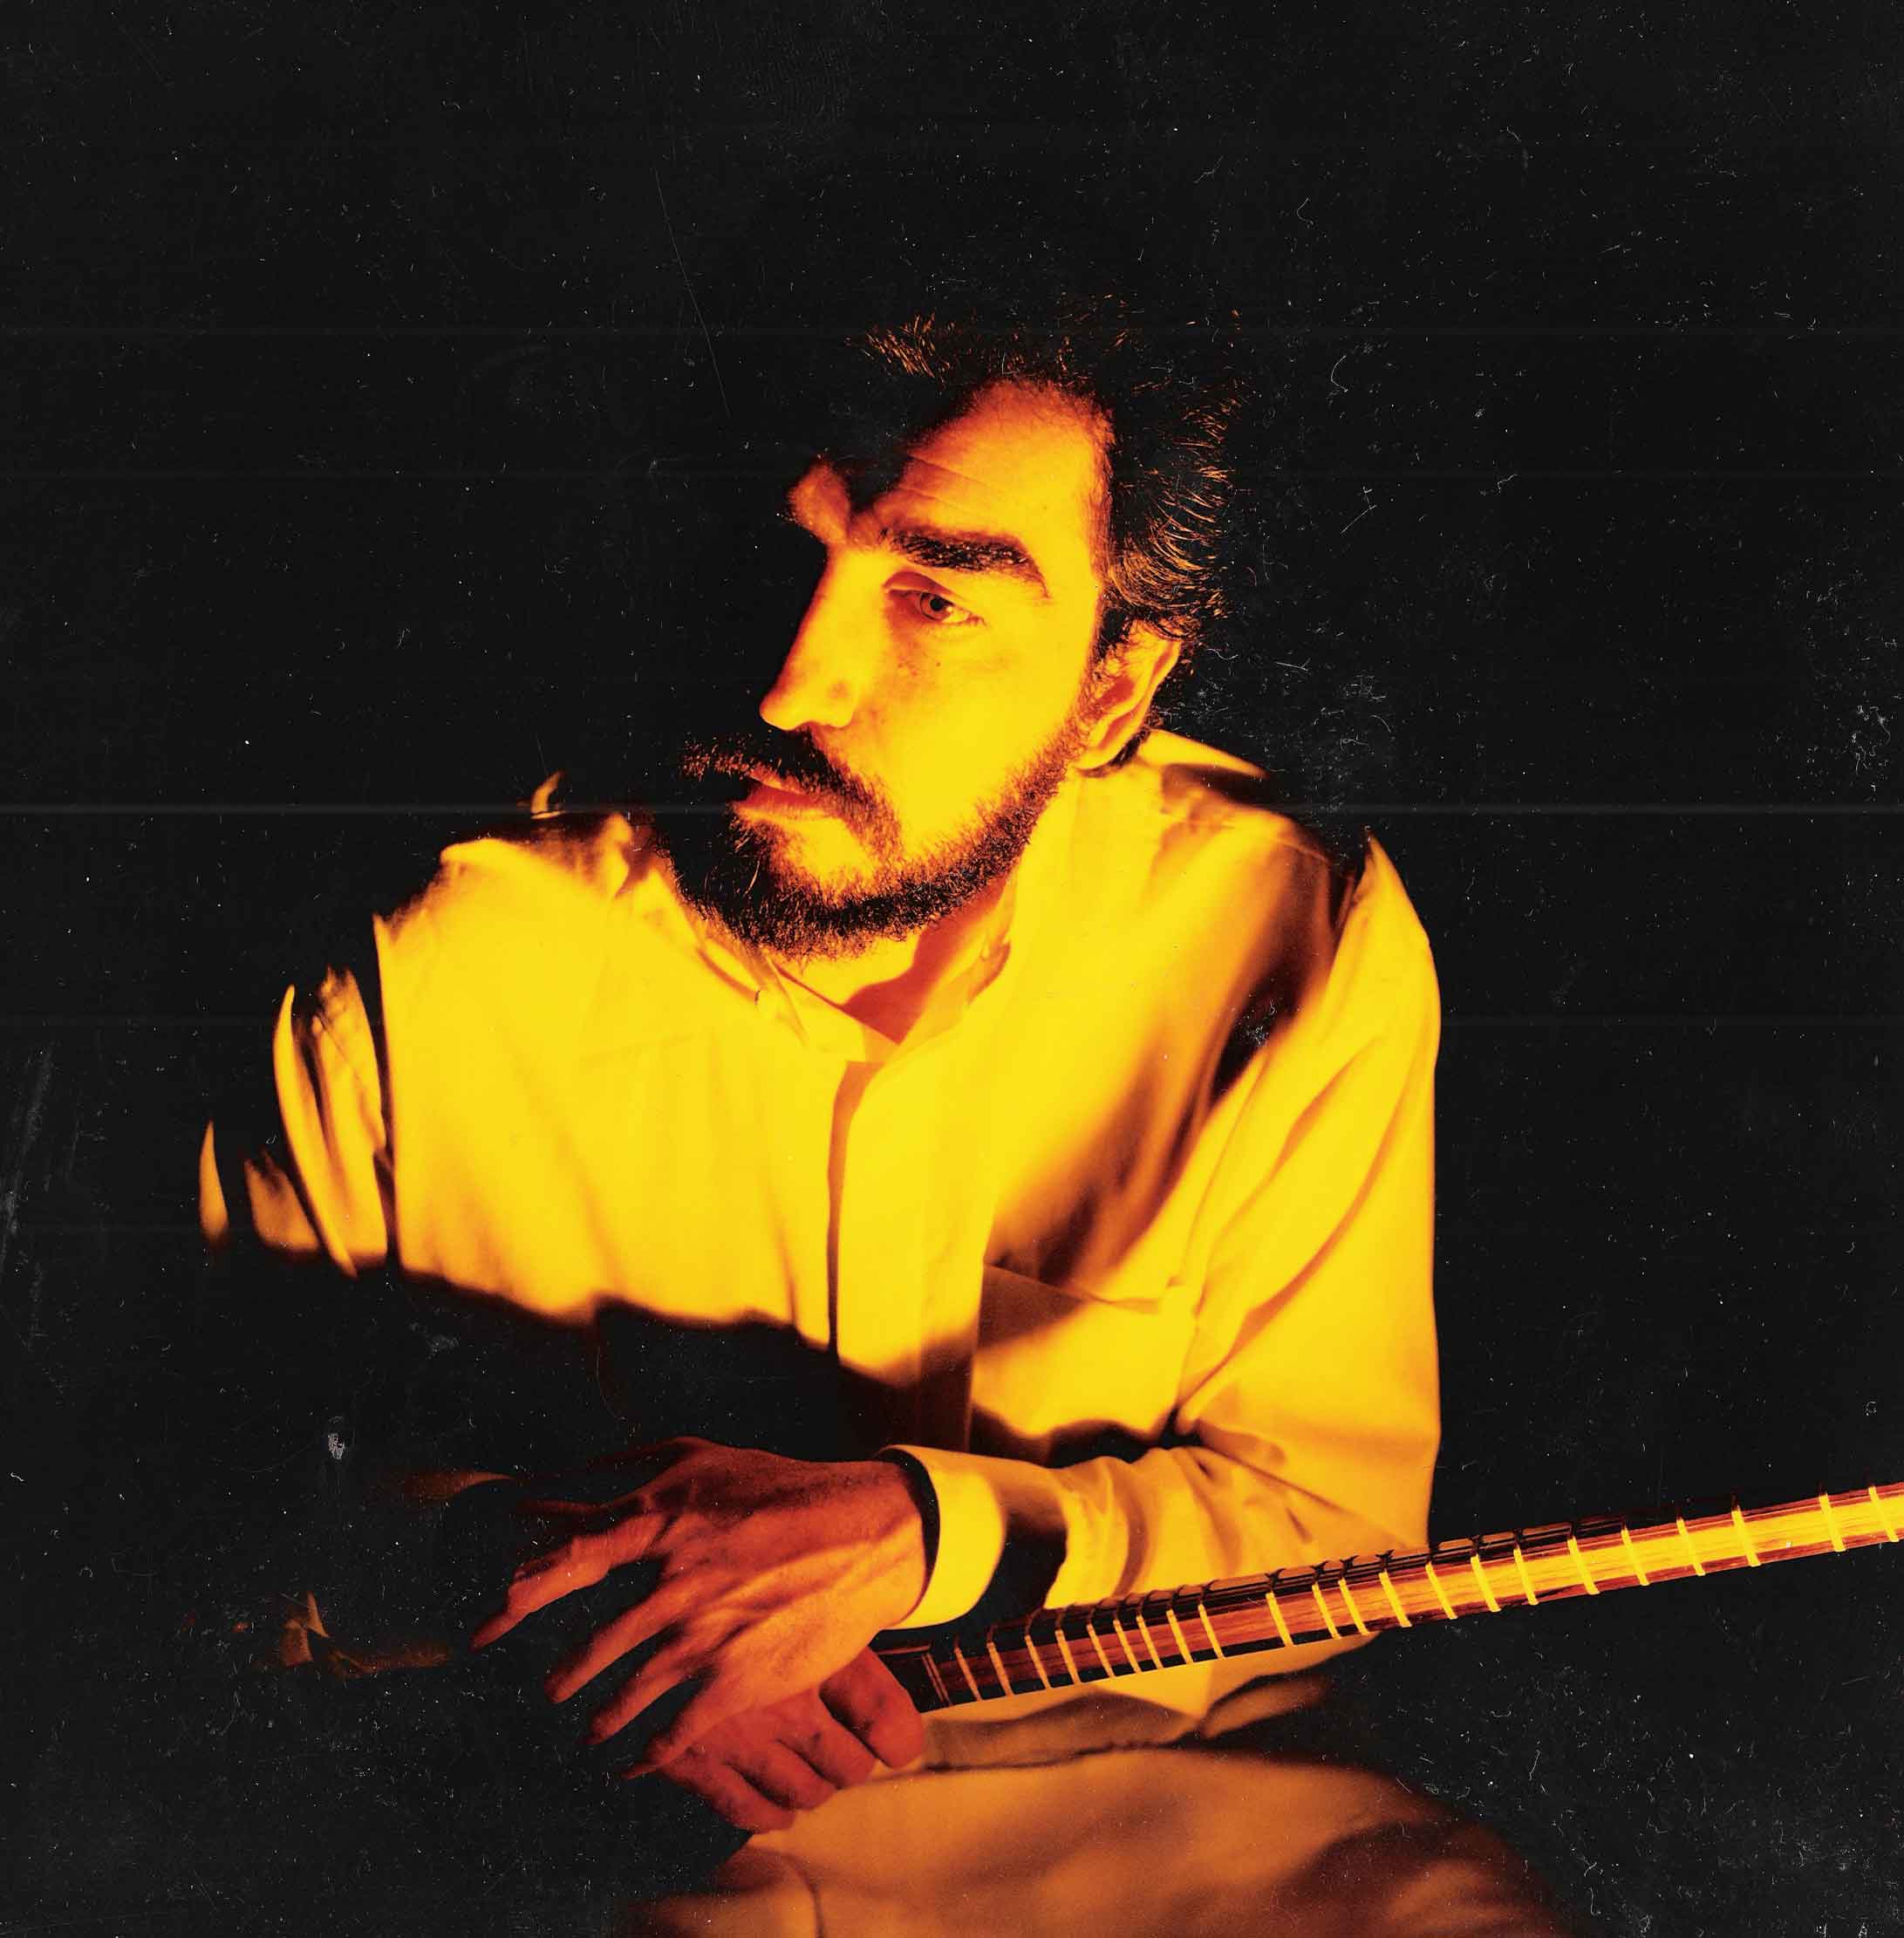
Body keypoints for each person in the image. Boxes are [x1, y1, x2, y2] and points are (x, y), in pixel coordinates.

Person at [195, 178, 1574, 1935]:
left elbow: (1336, 1532)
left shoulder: (1286, 930)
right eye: (783, 554)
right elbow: (204, 1523)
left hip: (1193, 1830)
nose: (795, 682)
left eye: (934, 597)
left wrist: (921, 1534)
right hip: (600, 1827)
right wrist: (555, 1601)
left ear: (1112, 690)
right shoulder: (418, 958)